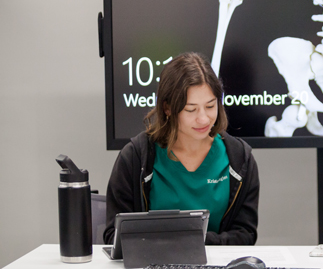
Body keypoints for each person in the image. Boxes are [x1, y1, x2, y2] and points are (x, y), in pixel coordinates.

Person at [104, 52, 259, 245]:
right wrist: (182, 243)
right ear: (167, 108)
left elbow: (245, 234)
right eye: (191, 109)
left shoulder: (240, 159)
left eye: (210, 106)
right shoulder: (135, 157)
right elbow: (114, 235)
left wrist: (192, 243)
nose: (203, 119)